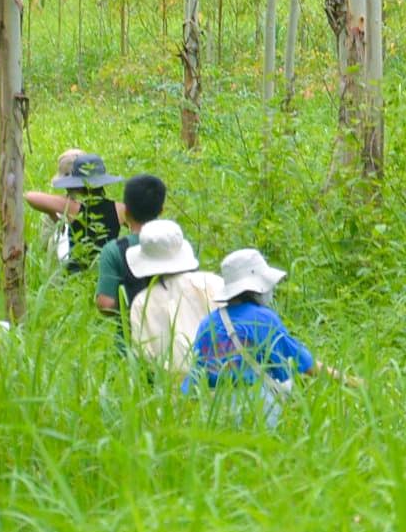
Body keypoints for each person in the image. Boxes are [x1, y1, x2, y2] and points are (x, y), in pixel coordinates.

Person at [187, 248, 359, 426]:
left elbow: (195, 377)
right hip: (258, 412)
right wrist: (351, 382)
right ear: (258, 288)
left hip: (217, 415)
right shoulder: (263, 319)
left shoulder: (207, 324)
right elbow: (303, 363)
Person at [122, 218, 221, 373]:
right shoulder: (212, 283)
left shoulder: (142, 302)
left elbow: (144, 357)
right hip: (224, 380)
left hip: (174, 390)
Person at [25, 150, 125, 274]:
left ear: (77, 185)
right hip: (106, 271)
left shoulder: (73, 207)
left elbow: (30, 196)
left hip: (76, 275)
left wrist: (53, 215)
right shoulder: (119, 208)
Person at [94, 172, 166, 322]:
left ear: (126, 210)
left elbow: (105, 304)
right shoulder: (177, 245)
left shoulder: (114, 250)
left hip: (130, 337)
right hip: (174, 335)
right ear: (161, 210)